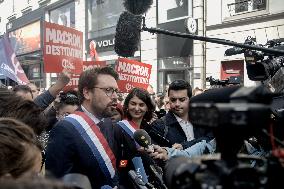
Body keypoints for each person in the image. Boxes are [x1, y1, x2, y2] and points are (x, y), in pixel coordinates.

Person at [45, 67, 121, 188]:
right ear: (87, 93)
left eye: (116, 91)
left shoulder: (107, 122)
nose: (116, 96)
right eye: (108, 90)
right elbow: (55, 184)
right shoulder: (64, 130)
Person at [149, 79, 213, 149]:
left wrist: (185, 146)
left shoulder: (204, 119)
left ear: (190, 99)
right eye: (173, 100)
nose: (177, 104)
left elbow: (211, 139)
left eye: (182, 100)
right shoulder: (159, 126)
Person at [115, 88, 157, 187]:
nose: (137, 108)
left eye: (141, 105)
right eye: (133, 104)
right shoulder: (119, 128)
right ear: (127, 106)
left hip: (149, 181)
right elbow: (120, 163)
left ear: (147, 108)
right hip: (128, 181)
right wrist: (136, 153)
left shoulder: (150, 129)